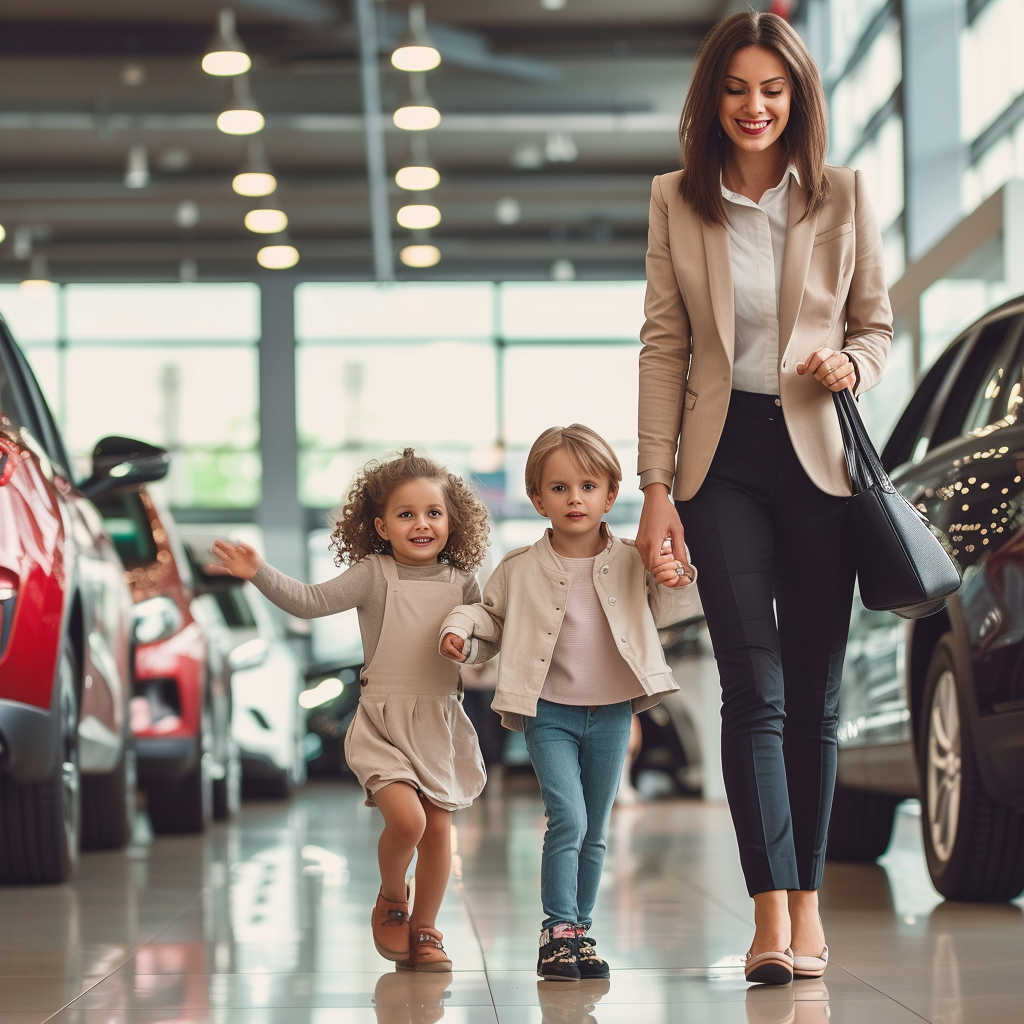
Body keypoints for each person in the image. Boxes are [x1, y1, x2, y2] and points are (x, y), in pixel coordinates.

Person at [635, 9, 892, 985]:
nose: (753, 106)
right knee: (754, 684)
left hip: (818, 454)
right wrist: (655, 485)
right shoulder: (676, 199)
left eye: (771, 89)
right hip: (721, 458)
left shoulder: (841, 194)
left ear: (797, 99)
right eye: (737, 88)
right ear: (713, 98)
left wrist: (850, 364)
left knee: (815, 693)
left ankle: (810, 905)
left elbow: (874, 323)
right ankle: (767, 909)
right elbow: (664, 342)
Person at [208, 449, 491, 973]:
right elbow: (309, 601)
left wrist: (470, 651)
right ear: (381, 526)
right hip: (383, 722)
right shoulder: (374, 574)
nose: (422, 524)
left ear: (452, 520)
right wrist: (258, 572)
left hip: (439, 721)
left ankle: (427, 929)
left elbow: (486, 640)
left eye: (433, 512)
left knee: (438, 832)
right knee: (406, 823)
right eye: (406, 515)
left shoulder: (464, 583)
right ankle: (391, 898)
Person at [438, 424, 700, 981]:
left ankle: (579, 930)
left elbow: (673, 608)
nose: (574, 498)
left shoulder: (633, 559)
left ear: (610, 494)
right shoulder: (518, 568)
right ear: (537, 499)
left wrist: (675, 574)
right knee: (569, 818)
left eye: (588, 485)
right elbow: (490, 617)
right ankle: (556, 928)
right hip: (548, 711)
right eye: (559, 488)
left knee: (596, 826)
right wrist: (462, 630)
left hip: (610, 711)